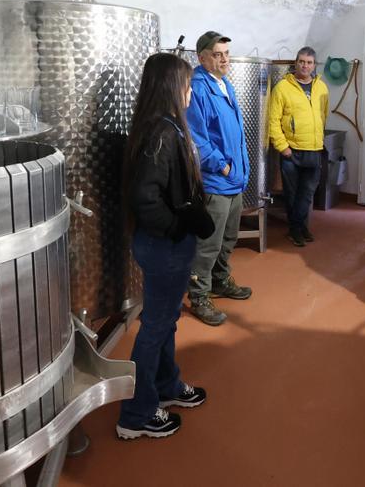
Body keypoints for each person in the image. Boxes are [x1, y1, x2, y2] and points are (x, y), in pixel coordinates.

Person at [116, 53, 216, 440]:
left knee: (166, 320)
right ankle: (137, 414)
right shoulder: (162, 131)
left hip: (166, 245)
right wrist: (175, 228)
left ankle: (167, 385)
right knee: (155, 327)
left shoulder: (164, 126)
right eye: (187, 85)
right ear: (173, 88)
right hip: (163, 246)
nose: (190, 92)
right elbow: (146, 196)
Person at [184, 31, 254, 326]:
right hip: (216, 181)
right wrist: (223, 167)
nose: (225, 59)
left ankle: (220, 281)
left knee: (228, 238)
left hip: (234, 179)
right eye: (217, 54)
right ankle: (199, 295)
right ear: (202, 58)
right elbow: (196, 139)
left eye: (226, 53)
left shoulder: (224, 84)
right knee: (208, 244)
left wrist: (239, 169)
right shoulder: (198, 88)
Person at [268, 46, 329, 247]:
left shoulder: (322, 87)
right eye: (302, 61)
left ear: (314, 65)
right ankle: (297, 229)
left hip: (314, 149)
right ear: (296, 63)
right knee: (292, 194)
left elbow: (323, 115)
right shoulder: (282, 88)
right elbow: (273, 121)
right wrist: (282, 147)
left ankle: (297, 226)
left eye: (309, 62)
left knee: (307, 192)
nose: (305, 65)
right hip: (291, 151)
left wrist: (318, 139)